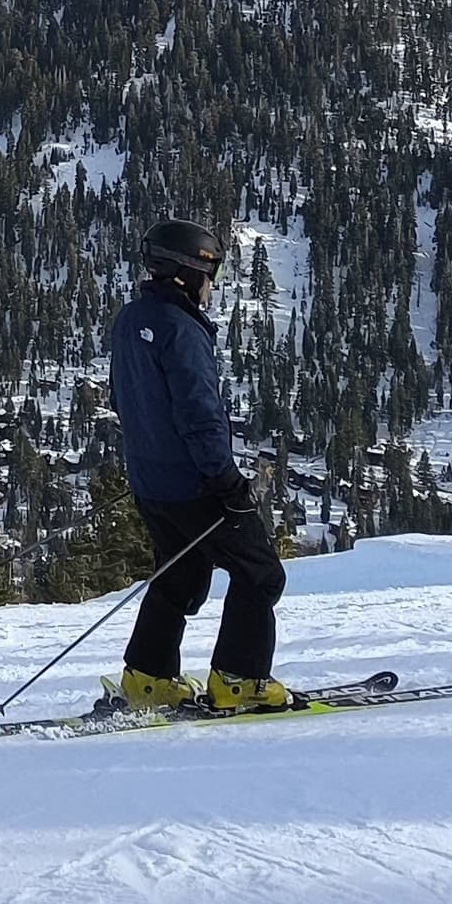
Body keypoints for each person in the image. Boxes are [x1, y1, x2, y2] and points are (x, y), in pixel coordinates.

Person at [103, 216, 293, 714]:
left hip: (151, 483)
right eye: (212, 276)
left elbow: (124, 399)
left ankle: (148, 677)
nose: (213, 288)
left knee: (180, 575)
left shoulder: (131, 318)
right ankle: (240, 678)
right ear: (190, 272)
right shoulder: (181, 329)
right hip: (195, 484)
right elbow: (199, 414)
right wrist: (225, 481)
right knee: (260, 573)